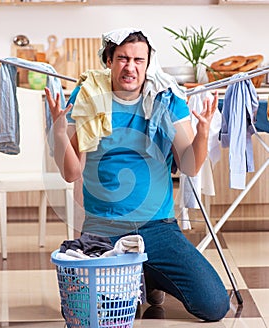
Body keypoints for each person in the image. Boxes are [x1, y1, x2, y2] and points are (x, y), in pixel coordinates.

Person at [45, 27, 230, 322]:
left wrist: (203, 133)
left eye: (138, 60)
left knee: (214, 306)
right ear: (109, 60)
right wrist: (58, 130)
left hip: (158, 228)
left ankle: (149, 278)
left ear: (148, 64)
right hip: (102, 231)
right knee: (94, 314)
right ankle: (141, 277)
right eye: (122, 58)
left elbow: (190, 166)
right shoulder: (88, 94)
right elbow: (71, 173)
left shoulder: (166, 99)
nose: (130, 67)